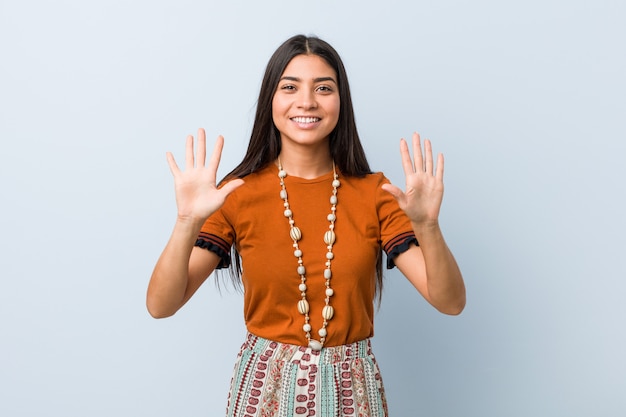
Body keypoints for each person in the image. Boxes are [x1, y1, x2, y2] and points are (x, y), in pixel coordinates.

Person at [147, 34, 465, 417]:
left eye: (324, 88)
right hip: (263, 393)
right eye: (290, 87)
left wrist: (428, 225)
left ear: (341, 102)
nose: (307, 101)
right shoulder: (235, 194)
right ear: (271, 100)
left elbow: (450, 302)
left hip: (354, 395)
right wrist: (187, 221)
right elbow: (161, 306)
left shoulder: (377, 194)